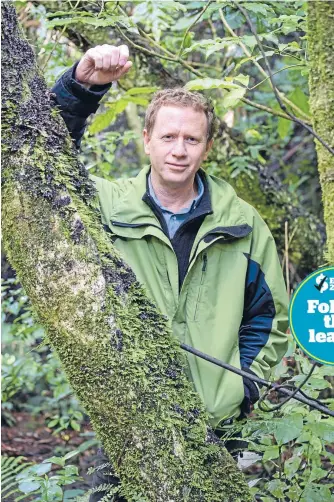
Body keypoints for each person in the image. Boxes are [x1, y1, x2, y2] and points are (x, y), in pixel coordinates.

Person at [52, 44, 289, 501]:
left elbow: (270, 318)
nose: (179, 151)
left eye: (191, 139)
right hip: (128, 418)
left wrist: (240, 388)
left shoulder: (241, 223)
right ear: (146, 139)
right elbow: (42, 164)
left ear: (208, 146)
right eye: (168, 137)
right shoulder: (106, 205)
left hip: (219, 426)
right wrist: (82, 87)